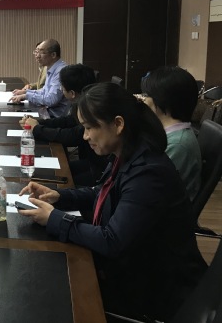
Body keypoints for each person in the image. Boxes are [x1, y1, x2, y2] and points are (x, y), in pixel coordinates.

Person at [18, 82, 206, 321]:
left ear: (118, 124)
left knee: (43, 293)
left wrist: (55, 219)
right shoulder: (129, 153)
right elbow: (104, 191)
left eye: (89, 128)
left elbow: (112, 240)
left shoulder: (149, 172)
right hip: (128, 270)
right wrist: (60, 196)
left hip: (151, 290)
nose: (85, 136)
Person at [19, 63, 107, 186]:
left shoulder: (93, 108)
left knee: (57, 181)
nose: (60, 89)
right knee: (51, 174)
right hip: (92, 161)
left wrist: (38, 129)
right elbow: (68, 121)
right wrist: (38, 123)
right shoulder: (84, 103)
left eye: (62, 87)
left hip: (100, 168)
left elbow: (73, 135)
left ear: (72, 93)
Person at [139, 66, 201, 201]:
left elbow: (147, 185)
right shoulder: (165, 133)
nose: (144, 100)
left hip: (160, 210)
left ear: (163, 100)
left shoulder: (177, 144)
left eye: (147, 95)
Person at [9, 39, 69, 117]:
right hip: (47, 112)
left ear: (53, 55)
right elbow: (45, 91)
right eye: (36, 52)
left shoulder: (60, 71)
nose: (37, 56)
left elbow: (51, 100)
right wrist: (26, 92)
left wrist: (26, 96)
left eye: (41, 52)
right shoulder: (51, 68)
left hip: (55, 117)